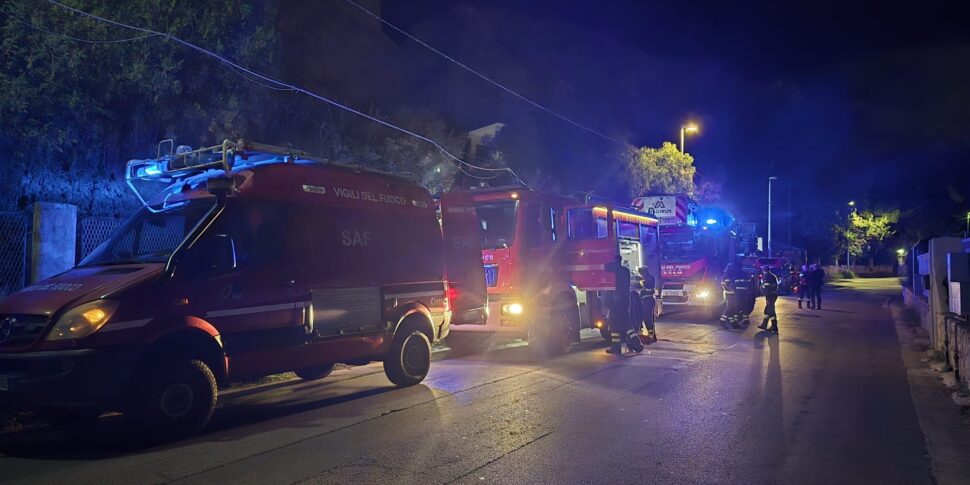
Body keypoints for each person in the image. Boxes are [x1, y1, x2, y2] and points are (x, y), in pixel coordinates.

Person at [605, 255, 643, 354]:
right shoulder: (625, 270)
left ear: (615, 261)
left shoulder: (616, 271)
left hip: (617, 301)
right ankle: (636, 345)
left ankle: (617, 348)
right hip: (625, 300)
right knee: (624, 323)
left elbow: (606, 268)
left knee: (615, 323)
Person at [720, 263, 749, 329]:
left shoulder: (726, 275)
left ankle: (733, 323)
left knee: (732, 308)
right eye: (732, 268)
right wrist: (735, 290)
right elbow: (728, 285)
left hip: (730, 293)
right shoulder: (727, 276)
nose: (733, 269)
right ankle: (722, 321)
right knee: (730, 308)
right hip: (730, 294)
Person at [637, 265, 658, 343]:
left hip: (648, 301)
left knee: (648, 319)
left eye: (641, 273)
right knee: (647, 318)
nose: (641, 275)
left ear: (644, 272)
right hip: (647, 301)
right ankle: (652, 336)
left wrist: (640, 282)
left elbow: (645, 287)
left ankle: (651, 336)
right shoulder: (648, 278)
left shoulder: (649, 279)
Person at [758, 266, 780, 333]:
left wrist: (766, 295)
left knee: (770, 310)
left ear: (763, 270)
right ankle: (765, 324)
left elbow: (767, 288)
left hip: (770, 295)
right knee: (768, 309)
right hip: (773, 295)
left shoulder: (767, 277)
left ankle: (774, 326)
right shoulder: (772, 276)